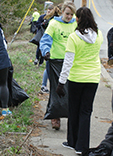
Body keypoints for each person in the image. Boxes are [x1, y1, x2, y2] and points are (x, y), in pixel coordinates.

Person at [56, 7, 103, 155]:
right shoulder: (99, 35)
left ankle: (72, 141)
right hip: (93, 77)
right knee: (86, 112)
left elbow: (68, 62)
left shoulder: (74, 37)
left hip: (76, 78)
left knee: (74, 110)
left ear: (78, 19)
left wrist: (61, 82)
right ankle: (82, 147)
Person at [40, 1, 77, 130]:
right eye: (67, 14)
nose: (69, 17)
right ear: (61, 12)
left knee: (69, 90)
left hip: (71, 61)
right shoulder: (54, 24)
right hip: (55, 61)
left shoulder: (75, 24)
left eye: (71, 14)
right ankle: (55, 117)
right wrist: (46, 51)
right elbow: (45, 40)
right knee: (56, 90)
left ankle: (70, 115)